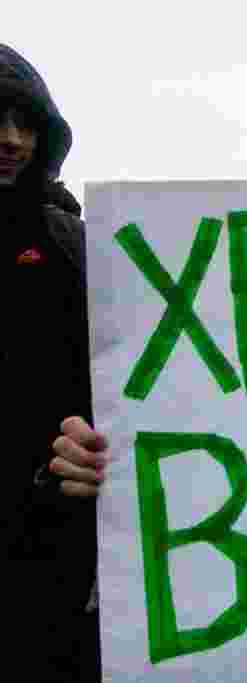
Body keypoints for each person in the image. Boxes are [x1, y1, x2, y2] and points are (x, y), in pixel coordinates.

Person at [1, 43, 108, 682]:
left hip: (52, 554)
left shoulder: (69, 242)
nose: (11, 139)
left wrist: (88, 452)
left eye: (27, 122)